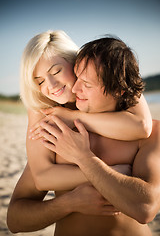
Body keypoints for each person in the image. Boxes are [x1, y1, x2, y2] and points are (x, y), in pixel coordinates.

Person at [7, 32, 153, 235]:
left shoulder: (144, 127)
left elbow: (141, 124)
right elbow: (19, 212)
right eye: (39, 82)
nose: (50, 85)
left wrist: (73, 120)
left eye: (56, 71)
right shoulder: (52, 129)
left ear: (77, 63)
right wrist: (68, 203)